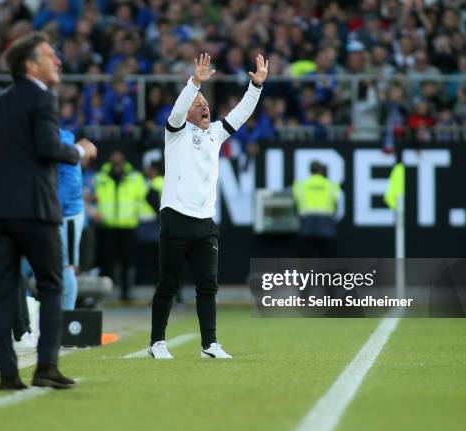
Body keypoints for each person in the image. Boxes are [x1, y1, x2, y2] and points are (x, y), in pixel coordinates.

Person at [0, 32, 96, 391]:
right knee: (51, 283)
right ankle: (46, 367)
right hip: (35, 210)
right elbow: (47, 146)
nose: (57, 61)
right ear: (30, 65)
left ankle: (8, 375)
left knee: (6, 289)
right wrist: (80, 152)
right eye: (49, 55)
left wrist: (6, 181)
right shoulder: (43, 99)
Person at [148, 53, 268, 359]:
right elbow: (177, 110)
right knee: (168, 286)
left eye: (206, 104)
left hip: (205, 223)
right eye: (197, 104)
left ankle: (209, 345)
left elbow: (239, 115)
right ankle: (157, 343)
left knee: (208, 287)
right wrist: (195, 83)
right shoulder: (174, 133)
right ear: (186, 112)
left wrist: (255, 87)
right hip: (175, 217)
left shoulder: (214, 133)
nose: (204, 107)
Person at [95, 150, 146, 301]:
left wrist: (136, 215)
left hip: (128, 224)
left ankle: (126, 292)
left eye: (119, 158)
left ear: (124, 160)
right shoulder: (100, 177)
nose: (116, 161)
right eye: (114, 158)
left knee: (128, 260)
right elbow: (93, 196)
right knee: (106, 261)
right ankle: (103, 294)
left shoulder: (135, 177)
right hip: (107, 224)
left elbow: (142, 198)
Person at [57, 128, 95, 310]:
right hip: (52, 213)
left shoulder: (64, 146)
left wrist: (53, 211)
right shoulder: (57, 141)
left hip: (67, 215)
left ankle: (68, 316)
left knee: (67, 266)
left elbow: (70, 187)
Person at [292, 161, 340, 258]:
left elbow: (295, 200)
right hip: (326, 220)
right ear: (322, 171)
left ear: (310, 171)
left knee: (307, 253)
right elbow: (337, 200)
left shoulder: (301, 184)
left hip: (307, 221)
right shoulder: (331, 185)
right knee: (327, 254)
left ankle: (307, 272)